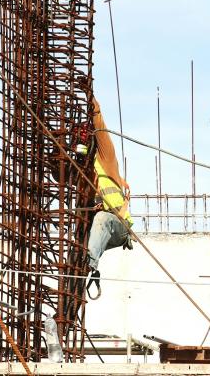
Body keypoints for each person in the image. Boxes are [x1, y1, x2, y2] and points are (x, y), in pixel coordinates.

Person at [86, 98, 133, 297]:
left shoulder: (105, 161)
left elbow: (101, 132)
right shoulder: (82, 173)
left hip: (119, 226)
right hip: (98, 232)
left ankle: (90, 262)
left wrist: (94, 107)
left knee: (102, 218)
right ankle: (83, 266)